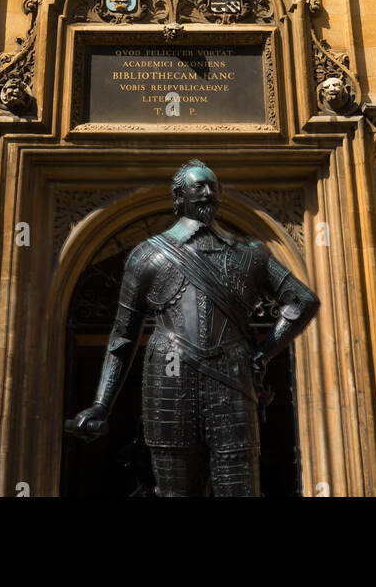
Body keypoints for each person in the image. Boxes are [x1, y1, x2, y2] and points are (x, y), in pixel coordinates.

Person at [66, 159, 319, 497]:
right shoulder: (146, 256)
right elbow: (123, 335)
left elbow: (302, 300)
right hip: (169, 380)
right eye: (199, 186)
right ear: (179, 196)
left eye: (213, 186)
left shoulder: (250, 254)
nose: (208, 192)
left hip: (230, 378)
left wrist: (263, 351)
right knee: (176, 489)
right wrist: (101, 403)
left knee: (240, 485)